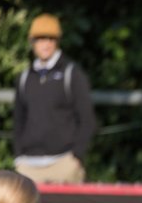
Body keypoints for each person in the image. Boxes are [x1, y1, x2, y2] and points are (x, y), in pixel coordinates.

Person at [12, 14, 95, 185]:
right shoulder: (25, 77)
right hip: (29, 165)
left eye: (51, 38)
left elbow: (87, 119)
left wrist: (76, 157)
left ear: (57, 41)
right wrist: (19, 156)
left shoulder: (72, 74)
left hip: (64, 163)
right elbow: (18, 121)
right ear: (32, 42)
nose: (46, 44)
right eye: (40, 39)